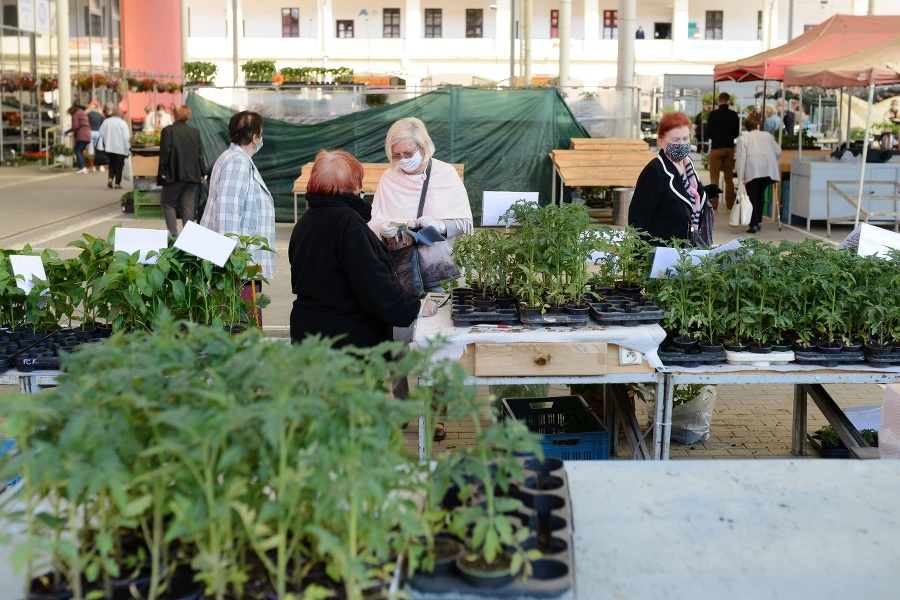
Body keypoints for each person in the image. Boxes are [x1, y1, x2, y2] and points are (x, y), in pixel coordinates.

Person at [368, 117, 473, 440]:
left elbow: (465, 222)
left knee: (439, 344)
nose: (402, 161)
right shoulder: (388, 179)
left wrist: (439, 226)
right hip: (400, 273)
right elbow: (374, 219)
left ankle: (435, 413)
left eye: (407, 153)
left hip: (438, 272)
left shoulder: (445, 175)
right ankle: (400, 405)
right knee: (398, 341)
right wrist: (384, 226)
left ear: (423, 147)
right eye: (395, 155)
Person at [289, 149, 438, 349]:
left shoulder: (305, 222)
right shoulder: (348, 223)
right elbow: (372, 282)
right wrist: (413, 308)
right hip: (345, 343)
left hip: (308, 336)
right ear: (352, 185)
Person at [199, 110, 275, 326]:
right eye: (260, 134)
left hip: (238, 263)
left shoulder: (234, 159)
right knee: (238, 323)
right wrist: (233, 262)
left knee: (237, 322)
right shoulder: (237, 163)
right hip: (237, 266)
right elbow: (228, 213)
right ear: (254, 138)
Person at [628, 111, 714, 247]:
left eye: (685, 139)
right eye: (676, 140)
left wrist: (705, 193)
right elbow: (639, 218)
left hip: (687, 250)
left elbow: (685, 198)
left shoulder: (688, 164)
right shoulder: (655, 171)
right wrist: (641, 257)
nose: (682, 144)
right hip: (663, 253)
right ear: (661, 142)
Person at [158, 105, 206, 238]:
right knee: (188, 206)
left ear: (174, 115)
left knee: (167, 202)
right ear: (188, 116)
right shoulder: (194, 132)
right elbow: (199, 154)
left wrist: (162, 172)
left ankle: (173, 235)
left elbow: (165, 154)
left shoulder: (168, 131)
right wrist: (202, 171)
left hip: (174, 174)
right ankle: (189, 238)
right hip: (193, 175)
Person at [736, 114, 781, 234]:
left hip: (752, 170)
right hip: (768, 170)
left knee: (752, 197)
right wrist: (771, 159)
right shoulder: (768, 136)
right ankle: (759, 221)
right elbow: (778, 151)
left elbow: (741, 159)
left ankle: (754, 224)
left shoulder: (743, 139)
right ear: (758, 124)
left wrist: (740, 177)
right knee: (760, 195)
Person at [705, 92, 740, 211]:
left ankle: (714, 206)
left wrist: (716, 136)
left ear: (719, 101)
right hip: (729, 148)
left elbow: (708, 133)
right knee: (728, 178)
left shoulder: (713, 115)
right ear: (728, 101)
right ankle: (729, 205)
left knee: (714, 177)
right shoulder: (734, 115)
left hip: (716, 148)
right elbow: (736, 133)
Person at [97, 108, 131, 189]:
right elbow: (126, 137)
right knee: (119, 166)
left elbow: (101, 132)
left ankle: (110, 178)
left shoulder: (106, 121)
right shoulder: (122, 123)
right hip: (120, 148)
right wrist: (128, 147)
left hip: (109, 147)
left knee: (111, 164)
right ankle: (117, 183)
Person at [65, 104, 92, 174]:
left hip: (81, 134)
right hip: (88, 133)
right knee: (80, 150)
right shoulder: (82, 113)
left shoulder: (75, 114)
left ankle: (83, 167)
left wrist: (67, 131)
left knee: (77, 150)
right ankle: (80, 167)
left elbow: (75, 126)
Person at [86, 101, 107, 172]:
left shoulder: (88, 114)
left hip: (90, 132)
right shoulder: (101, 115)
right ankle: (101, 166)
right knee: (99, 149)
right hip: (98, 133)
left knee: (90, 150)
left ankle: (92, 166)